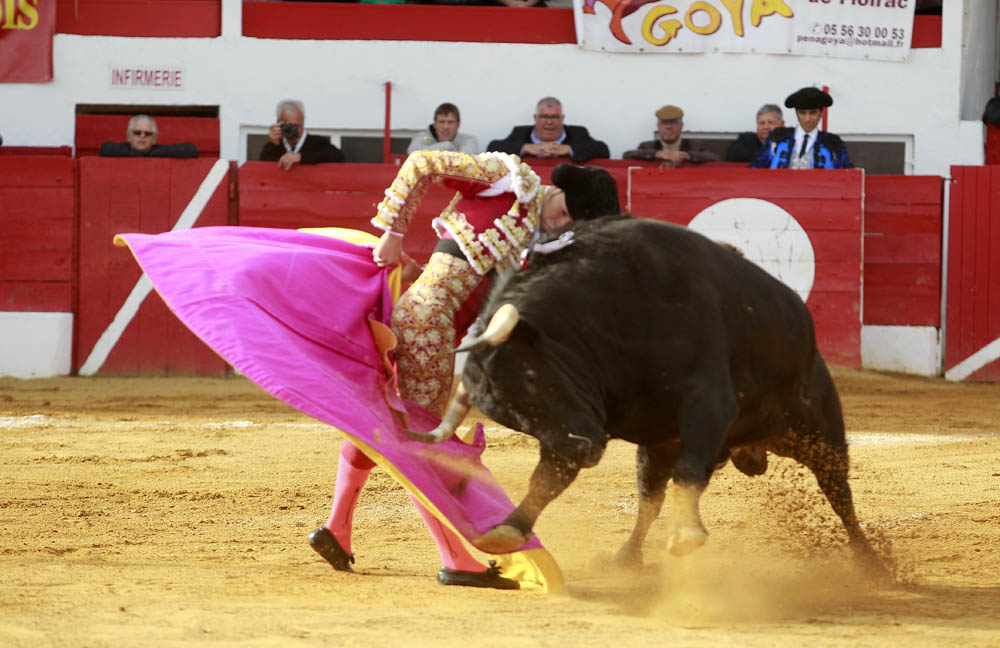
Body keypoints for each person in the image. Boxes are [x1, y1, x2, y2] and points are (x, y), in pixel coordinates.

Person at [307, 150, 620, 589]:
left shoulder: (538, 245)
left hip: (431, 329)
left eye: (571, 223)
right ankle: (455, 559)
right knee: (423, 444)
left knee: (388, 428)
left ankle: (337, 528)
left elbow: (482, 289)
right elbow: (422, 163)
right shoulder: (507, 181)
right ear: (560, 189)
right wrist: (392, 233)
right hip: (428, 327)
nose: (560, 223)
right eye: (565, 211)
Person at [750, 87, 853, 169]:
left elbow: (848, 175)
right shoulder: (777, 138)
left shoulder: (832, 142)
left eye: (812, 113)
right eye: (802, 113)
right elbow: (755, 170)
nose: (807, 119)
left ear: (821, 112)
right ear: (797, 113)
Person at [487, 97, 610, 163]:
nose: (549, 122)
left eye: (554, 117)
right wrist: (525, 148)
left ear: (562, 118)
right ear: (535, 118)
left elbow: (603, 149)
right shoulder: (520, 133)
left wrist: (569, 149)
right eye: (544, 116)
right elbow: (492, 148)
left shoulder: (578, 133)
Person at [622, 105, 721, 168]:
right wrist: (658, 154)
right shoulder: (647, 146)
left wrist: (685, 155)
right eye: (664, 123)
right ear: (658, 126)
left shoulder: (695, 145)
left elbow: (715, 157)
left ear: (681, 126)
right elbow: (627, 155)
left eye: (673, 122)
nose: (668, 127)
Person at [259, 99, 345, 170]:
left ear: (303, 122)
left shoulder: (318, 143)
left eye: (296, 126)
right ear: (278, 123)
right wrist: (275, 145)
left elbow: (339, 157)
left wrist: (301, 157)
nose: (293, 130)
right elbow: (263, 170)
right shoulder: (272, 146)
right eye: (288, 126)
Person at [98, 115, 198, 158]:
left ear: (154, 139)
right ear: (129, 136)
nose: (142, 136)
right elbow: (105, 148)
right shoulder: (117, 149)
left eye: (148, 133)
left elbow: (191, 149)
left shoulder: (159, 151)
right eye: (137, 133)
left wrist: (148, 154)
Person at [406, 102, 481, 154]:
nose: (445, 126)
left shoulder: (468, 140)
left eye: (450, 122)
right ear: (435, 124)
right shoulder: (425, 137)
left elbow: (465, 159)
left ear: (458, 125)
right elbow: (413, 153)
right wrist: (447, 146)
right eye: (441, 122)